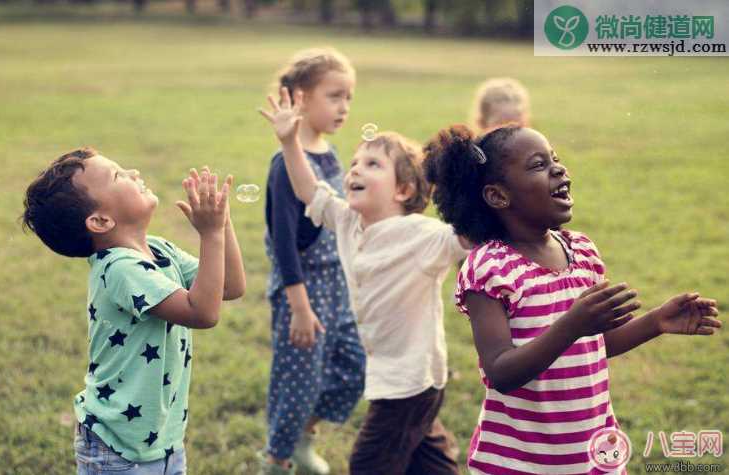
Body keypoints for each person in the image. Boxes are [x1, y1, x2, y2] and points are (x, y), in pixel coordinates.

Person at [423, 124, 721, 474]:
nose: (559, 168)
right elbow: (500, 370)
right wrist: (571, 325)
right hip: (519, 461)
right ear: (499, 196)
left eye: (555, 159)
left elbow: (594, 345)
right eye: (538, 165)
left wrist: (656, 322)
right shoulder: (490, 269)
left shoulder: (581, 251)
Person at [260, 87, 471, 475]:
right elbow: (308, 190)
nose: (354, 168)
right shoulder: (347, 222)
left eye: (372, 164)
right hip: (396, 373)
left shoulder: (420, 235)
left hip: (408, 379)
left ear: (403, 190)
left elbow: (464, 240)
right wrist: (290, 142)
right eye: (355, 162)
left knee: (368, 464)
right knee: (428, 460)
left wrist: (477, 191)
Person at [22, 148, 245, 474]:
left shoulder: (157, 249)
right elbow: (203, 313)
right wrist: (210, 234)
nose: (134, 172)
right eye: (117, 175)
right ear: (100, 221)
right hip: (117, 448)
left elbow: (230, 287)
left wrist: (221, 223)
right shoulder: (119, 269)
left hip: (162, 441)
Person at [259, 48, 366, 475]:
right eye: (335, 95)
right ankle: (277, 459)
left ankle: (303, 436)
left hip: (337, 285)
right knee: (297, 382)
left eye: (349, 98)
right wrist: (300, 307)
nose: (344, 107)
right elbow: (283, 243)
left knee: (352, 368)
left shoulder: (329, 152)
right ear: (299, 98)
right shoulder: (284, 166)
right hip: (301, 289)